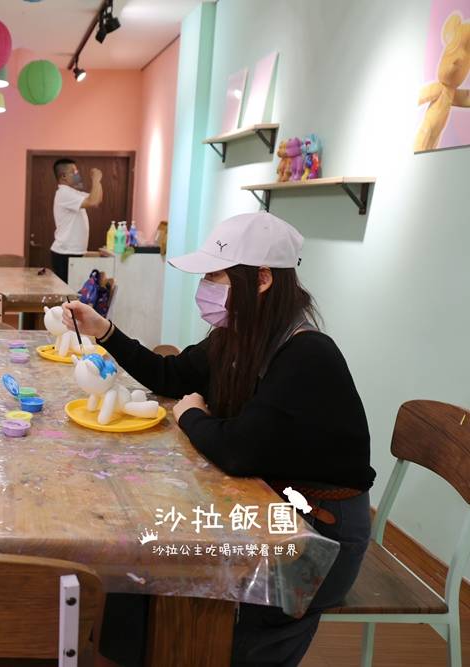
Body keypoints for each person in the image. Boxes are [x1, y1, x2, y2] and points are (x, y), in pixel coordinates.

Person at [63, 212, 375, 667]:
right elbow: (169, 376)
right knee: (137, 576)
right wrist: (104, 331)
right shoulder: (236, 337)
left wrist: (190, 416)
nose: (205, 288)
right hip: (268, 502)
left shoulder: (306, 354)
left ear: (263, 279)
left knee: (212, 628)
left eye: (215, 275)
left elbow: (235, 450)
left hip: (319, 536)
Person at [50, 158, 103, 282]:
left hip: (71, 252)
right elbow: (93, 200)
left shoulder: (72, 193)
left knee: (72, 295)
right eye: (74, 172)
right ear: (63, 176)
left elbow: (96, 200)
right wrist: (96, 179)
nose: (78, 175)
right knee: (67, 297)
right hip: (65, 253)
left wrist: (98, 182)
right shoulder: (64, 193)